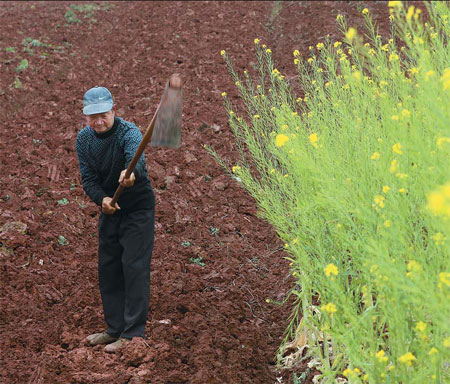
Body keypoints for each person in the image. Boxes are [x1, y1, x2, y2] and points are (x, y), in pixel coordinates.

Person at [76, 86, 155, 353]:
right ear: (86, 117)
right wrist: (102, 200)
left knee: (133, 265)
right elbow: (87, 178)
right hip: (110, 206)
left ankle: (133, 334)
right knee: (108, 267)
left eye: (103, 115)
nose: (98, 121)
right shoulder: (84, 140)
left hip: (136, 206)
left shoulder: (129, 132)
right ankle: (114, 328)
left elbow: (137, 161)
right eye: (92, 117)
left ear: (114, 111)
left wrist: (130, 175)